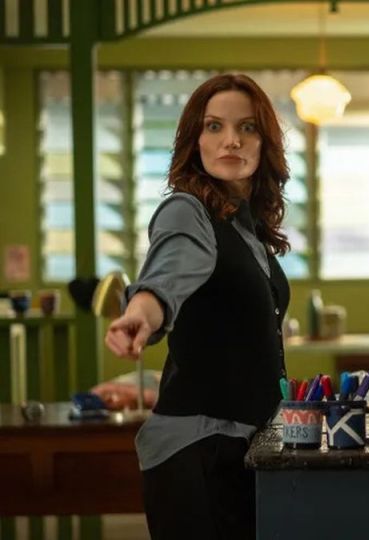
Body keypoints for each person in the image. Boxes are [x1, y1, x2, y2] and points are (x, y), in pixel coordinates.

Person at [104, 73, 290, 539]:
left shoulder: (250, 230)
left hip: (240, 446)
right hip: (199, 450)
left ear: (265, 143)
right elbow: (169, 270)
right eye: (214, 127)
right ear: (195, 140)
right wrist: (141, 312)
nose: (231, 140)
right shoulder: (186, 211)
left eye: (247, 128)